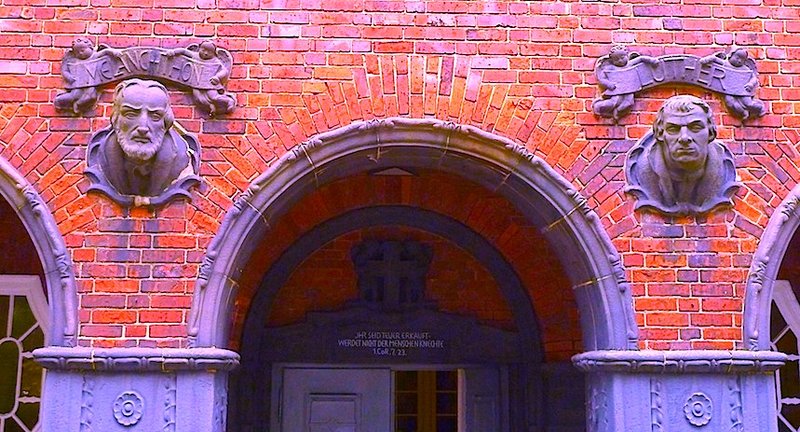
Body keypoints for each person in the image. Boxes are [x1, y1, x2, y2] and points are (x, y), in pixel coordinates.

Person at [626, 95, 739, 215]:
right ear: (660, 134)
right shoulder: (645, 172)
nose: (684, 138)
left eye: (695, 127)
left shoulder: (722, 170)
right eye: (673, 129)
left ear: (711, 133)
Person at [98, 79, 193, 203]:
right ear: (116, 119)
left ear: (166, 123)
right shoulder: (102, 157)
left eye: (155, 116)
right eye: (131, 114)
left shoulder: (181, 161)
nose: (143, 127)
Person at [166, 41, 235, 116]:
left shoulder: (215, 61)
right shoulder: (194, 56)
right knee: (198, 98)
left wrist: (217, 77)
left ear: (214, 53)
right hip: (196, 83)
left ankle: (228, 101)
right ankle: (211, 106)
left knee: (214, 97)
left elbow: (224, 70)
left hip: (209, 83)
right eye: (203, 50)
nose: (205, 53)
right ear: (199, 48)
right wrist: (173, 52)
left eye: (209, 52)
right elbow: (183, 51)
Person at [54, 38, 122, 114]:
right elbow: (64, 69)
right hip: (78, 83)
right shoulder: (73, 60)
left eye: (83, 50)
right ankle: (59, 101)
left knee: (92, 96)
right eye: (78, 52)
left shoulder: (94, 56)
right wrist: (68, 77)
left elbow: (105, 52)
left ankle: (78, 105)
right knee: (74, 95)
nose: (80, 53)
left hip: (90, 83)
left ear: (90, 47)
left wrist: (113, 52)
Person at [593, 45, 659, 121]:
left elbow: (641, 59)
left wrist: (651, 60)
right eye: (616, 59)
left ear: (627, 55)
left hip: (629, 88)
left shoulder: (629, 64)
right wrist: (608, 84)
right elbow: (601, 77)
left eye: (622, 57)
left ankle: (617, 112)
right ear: (612, 60)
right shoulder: (611, 68)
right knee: (614, 102)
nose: (620, 61)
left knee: (629, 102)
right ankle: (598, 106)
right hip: (617, 90)